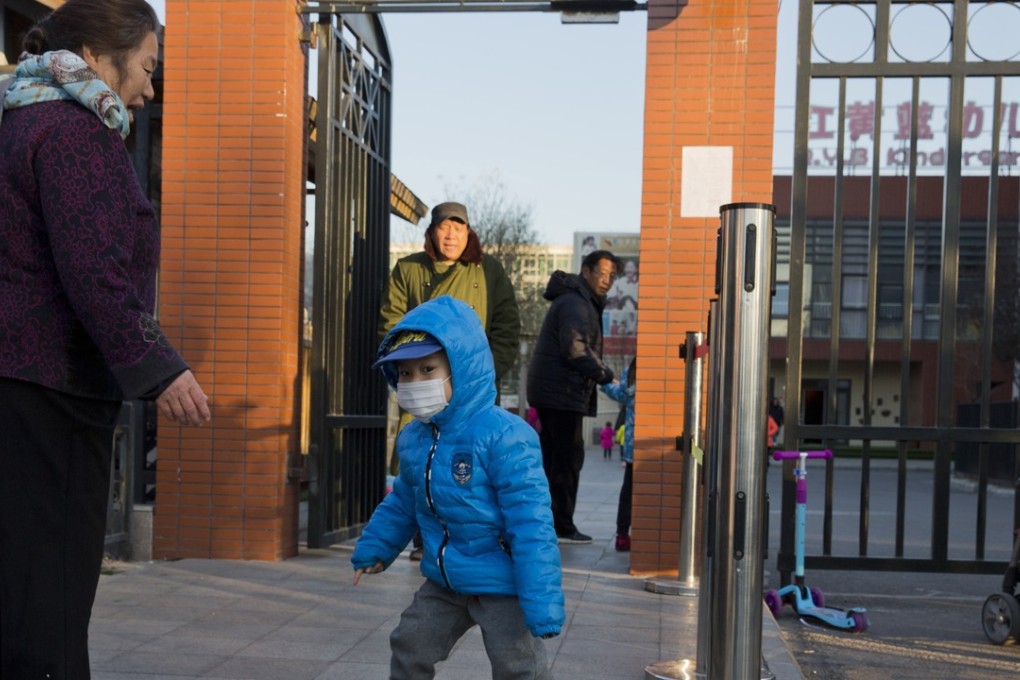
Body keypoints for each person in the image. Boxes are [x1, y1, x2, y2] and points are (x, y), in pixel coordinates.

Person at [0, 1, 212, 676]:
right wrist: (160, 368)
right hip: (51, 390)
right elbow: (94, 268)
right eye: (148, 68)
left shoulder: (18, 121)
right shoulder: (73, 131)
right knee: (50, 603)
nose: (150, 89)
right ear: (96, 58)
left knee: (20, 590)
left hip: (18, 388)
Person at [352, 296, 563, 679]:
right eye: (405, 373)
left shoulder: (505, 435)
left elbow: (531, 523)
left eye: (428, 368)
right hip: (445, 581)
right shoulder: (416, 438)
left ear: (462, 368)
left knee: (518, 667)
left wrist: (543, 601)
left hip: (503, 583)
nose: (415, 382)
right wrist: (376, 547)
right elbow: (403, 501)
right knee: (409, 643)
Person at [378, 200, 520, 560]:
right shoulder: (408, 269)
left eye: (459, 226)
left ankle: (474, 535)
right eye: (445, 226)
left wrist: (484, 373)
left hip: (472, 392)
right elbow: (390, 324)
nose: (451, 233)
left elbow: (506, 329)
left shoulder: (489, 272)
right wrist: (411, 368)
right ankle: (424, 536)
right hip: (424, 385)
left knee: (473, 461)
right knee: (417, 458)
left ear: (469, 232)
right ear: (432, 231)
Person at [527, 249, 620, 544]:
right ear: (585, 271)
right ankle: (561, 525)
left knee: (556, 459)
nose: (606, 280)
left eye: (611, 276)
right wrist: (605, 374)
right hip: (560, 393)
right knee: (566, 460)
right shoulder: (576, 304)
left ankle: (550, 522)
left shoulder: (580, 301)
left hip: (557, 393)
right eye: (601, 273)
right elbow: (575, 348)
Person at [601, 357, 636, 552]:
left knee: (628, 491)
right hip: (650, 442)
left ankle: (622, 535)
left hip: (633, 443)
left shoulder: (635, 368)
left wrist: (604, 381)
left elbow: (623, 392)